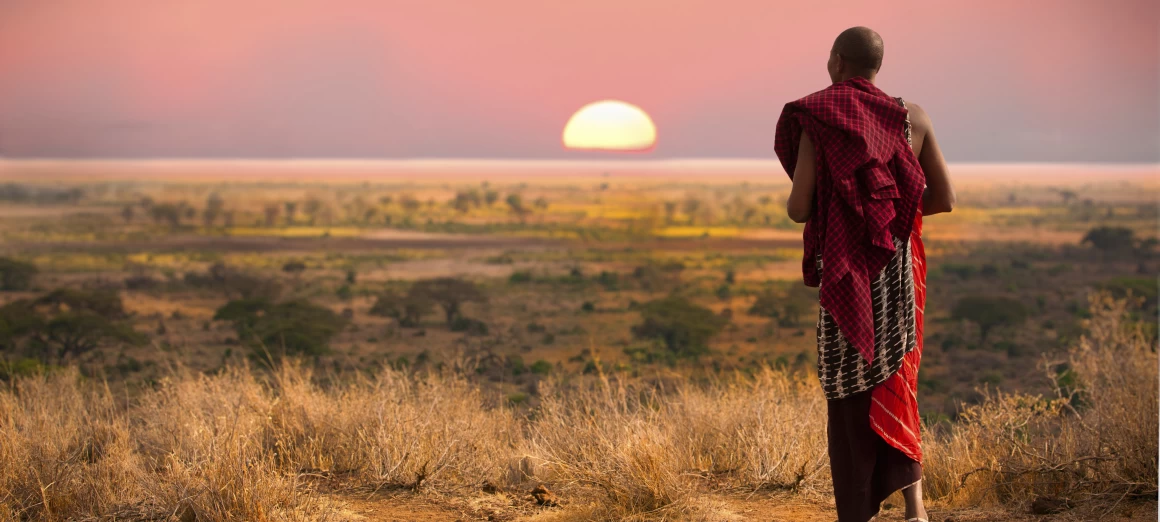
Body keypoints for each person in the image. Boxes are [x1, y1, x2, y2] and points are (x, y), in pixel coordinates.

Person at [774, 26, 956, 522]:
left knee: (850, 387)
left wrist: (844, 210)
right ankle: (915, 509)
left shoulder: (819, 119)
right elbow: (943, 198)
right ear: (877, 65)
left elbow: (797, 208)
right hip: (897, 267)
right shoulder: (912, 117)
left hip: (847, 271)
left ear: (836, 62)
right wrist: (888, 214)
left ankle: (859, 511)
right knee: (898, 375)